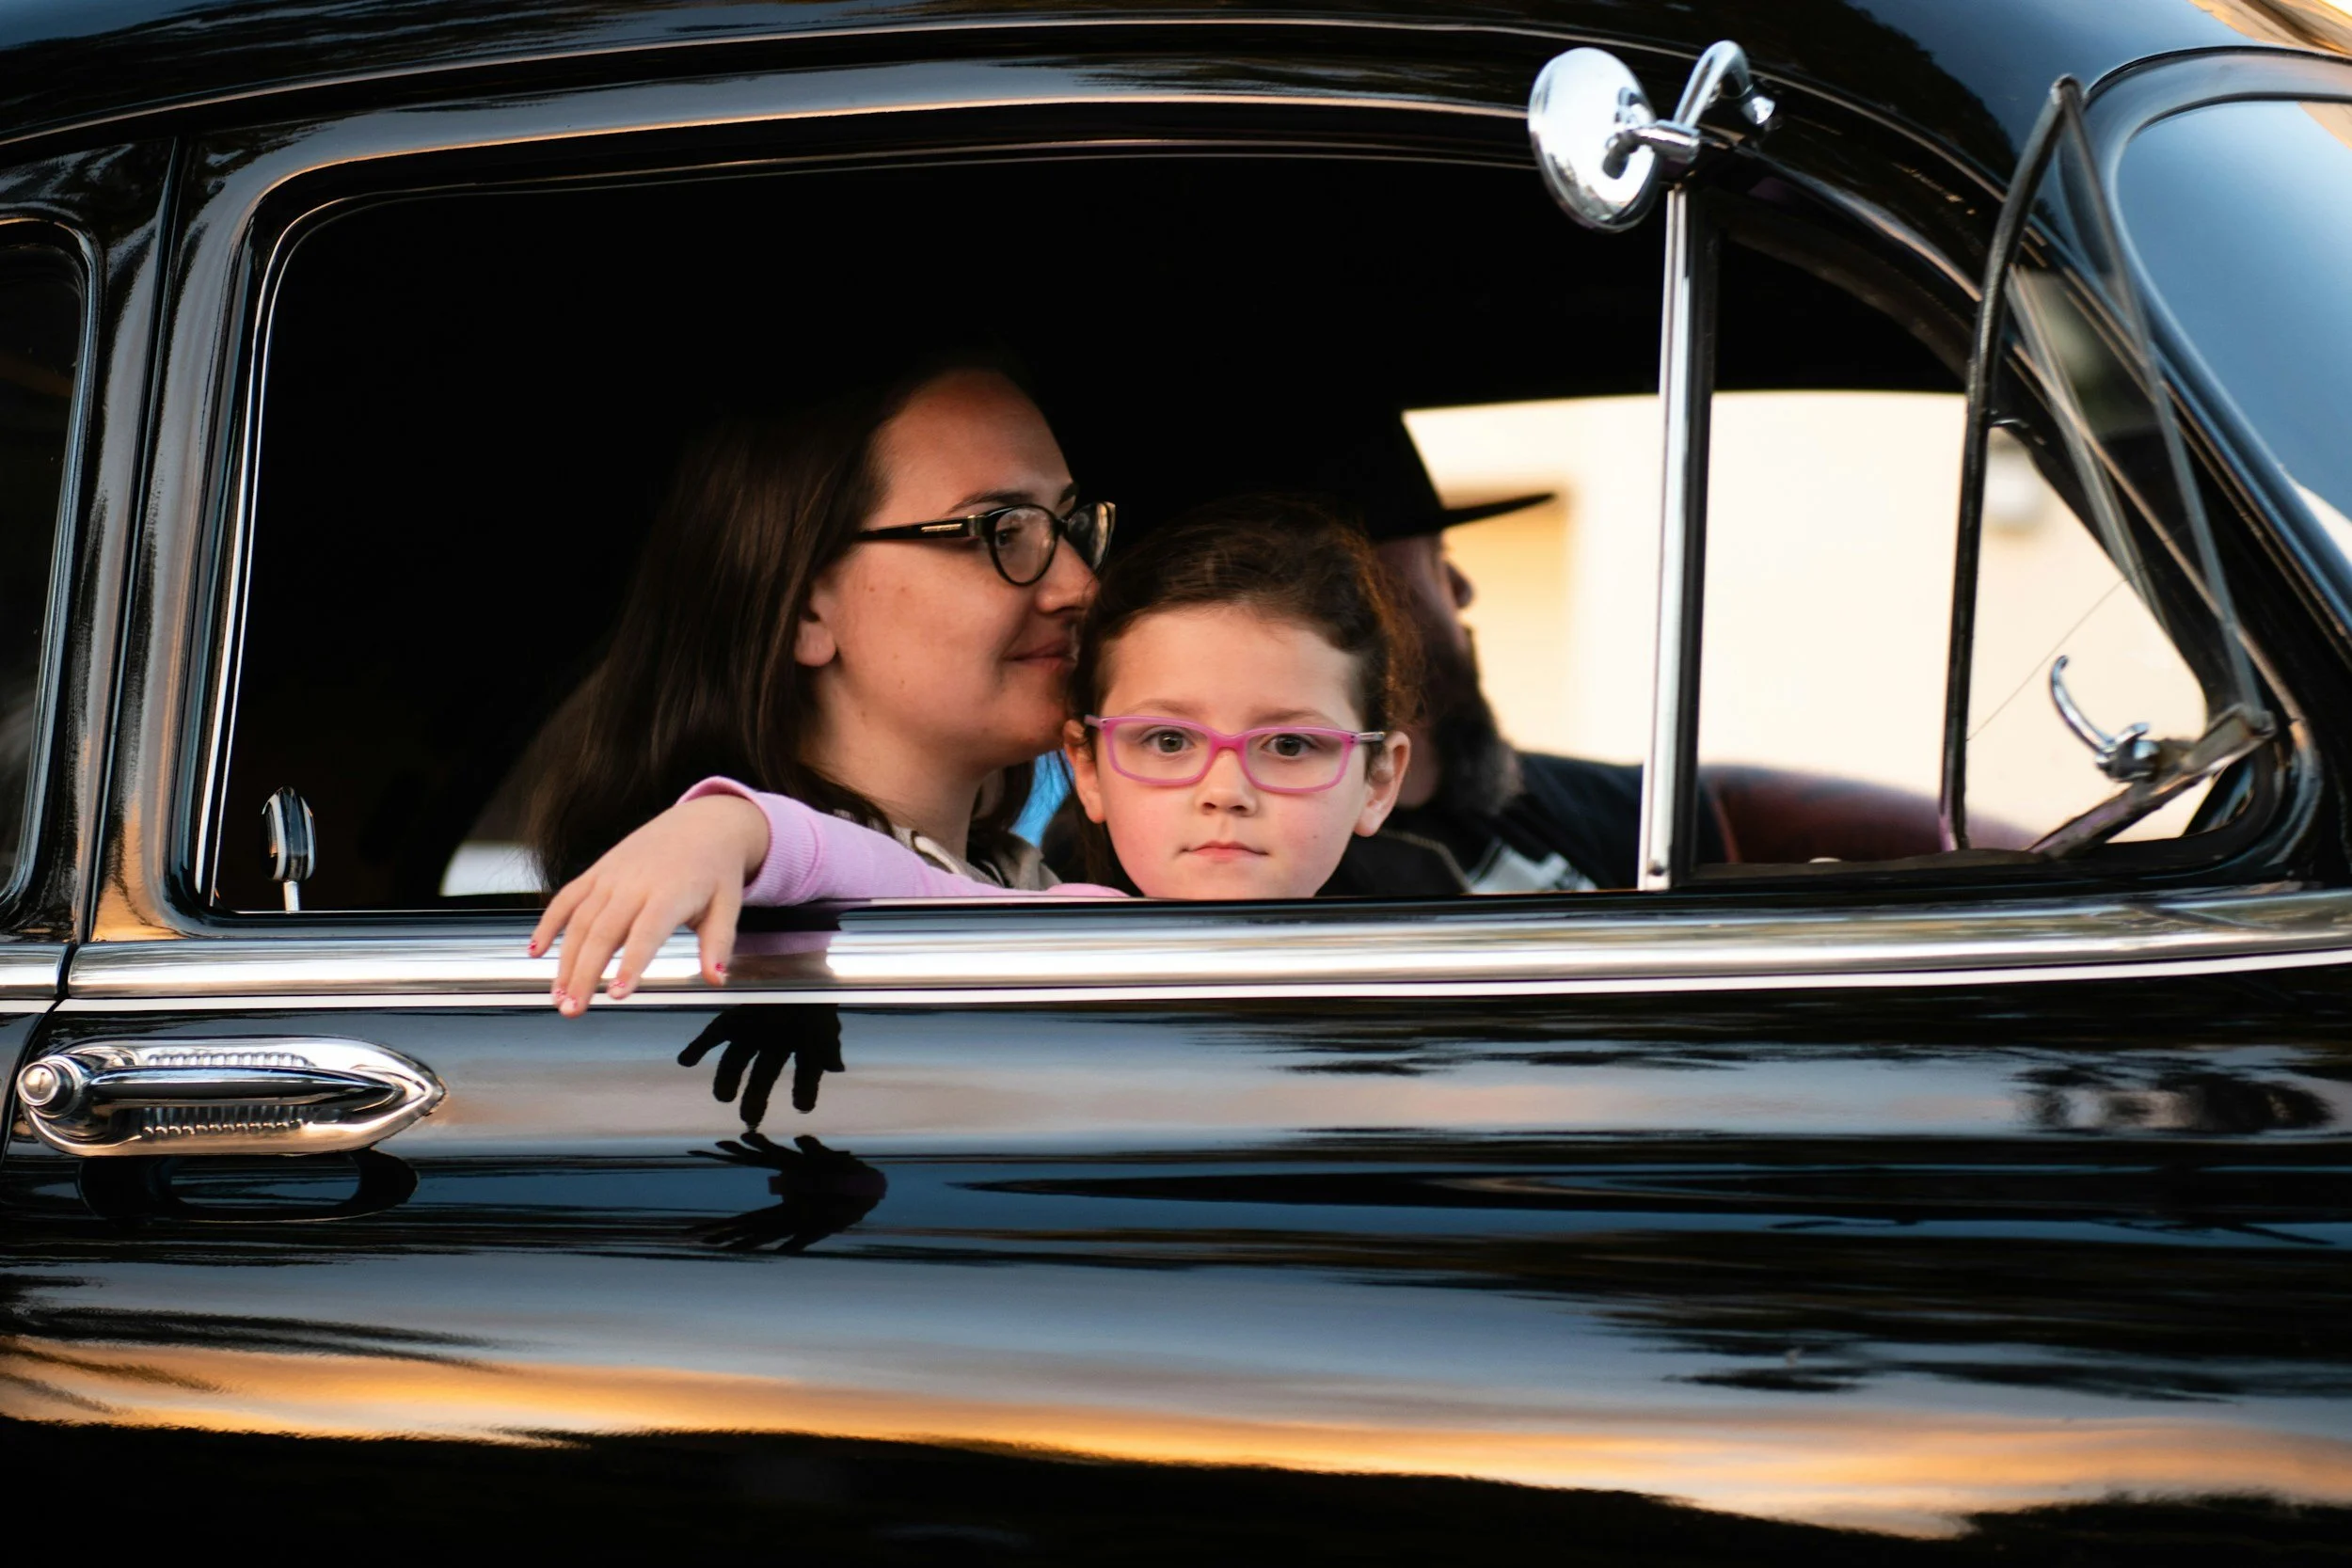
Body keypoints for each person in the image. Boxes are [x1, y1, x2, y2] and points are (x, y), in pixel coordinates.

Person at [531, 498, 1416, 1004]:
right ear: (1088, 768)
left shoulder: (1430, 971)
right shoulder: (1057, 930)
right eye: (1170, 739)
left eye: (1292, 744)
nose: (1226, 788)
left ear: (1379, 780)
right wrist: (731, 827)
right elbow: (880, 867)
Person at [526, 351, 1111, 1007]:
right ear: (806, 606)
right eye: (999, 530)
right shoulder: (717, 943)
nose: (1080, 586)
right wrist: (731, 830)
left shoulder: (1031, 882)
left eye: (1066, 526)